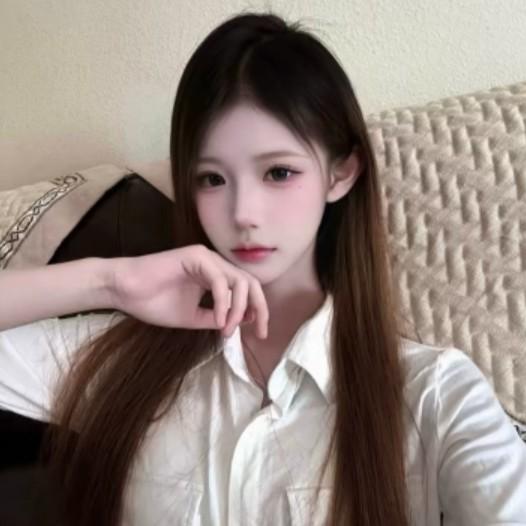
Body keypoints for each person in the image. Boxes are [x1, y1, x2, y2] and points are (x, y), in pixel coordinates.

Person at [1, 10, 525, 526]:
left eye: (278, 172)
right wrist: (110, 281)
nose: (243, 214)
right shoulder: (123, 362)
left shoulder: (434, 392)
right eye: (212, 179)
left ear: (341, 173)